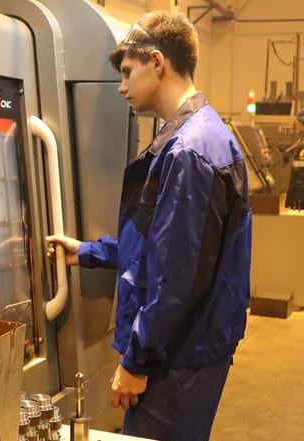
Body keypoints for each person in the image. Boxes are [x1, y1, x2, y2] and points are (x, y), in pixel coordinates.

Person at [46, 11, 251, 441]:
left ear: (157, 62)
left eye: (127, 72)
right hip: (188, 347)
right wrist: (87, 251)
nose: (121, 86)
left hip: (177, 356)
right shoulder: (197, 136)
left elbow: (176, 279)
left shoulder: (189, 152)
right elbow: (162, 244)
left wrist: (136, 362)